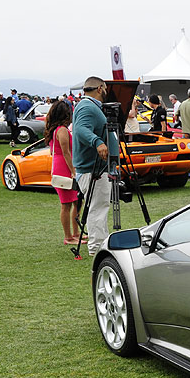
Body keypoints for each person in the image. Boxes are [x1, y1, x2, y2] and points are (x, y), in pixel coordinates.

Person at [72, 76, 113, 258]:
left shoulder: (87, 106)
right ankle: (96, 248)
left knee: (100, 206)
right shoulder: (88, 106)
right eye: (104, 88)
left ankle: (100, 243)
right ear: (99, 88)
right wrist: (97, 142)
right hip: (92, 169)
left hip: (94, 168)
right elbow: (80, 129)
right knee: (98, 207)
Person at [44, 101, 83, 245]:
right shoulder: (62, 130)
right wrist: (73, 171)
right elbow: (66, 152)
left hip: (60, 165)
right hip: (64, 168)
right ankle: (68, 236)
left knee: (75, 201)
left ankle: (75, 233)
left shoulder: (56, 130)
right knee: (66, 204)